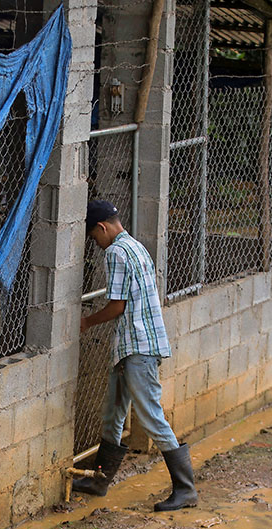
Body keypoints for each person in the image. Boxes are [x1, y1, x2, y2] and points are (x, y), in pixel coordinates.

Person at [73, 200, 198, 512]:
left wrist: (87, 321)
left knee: (151, 417)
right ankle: (99, 481)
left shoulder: (115, 251)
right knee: (114, 414)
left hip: (138, 347)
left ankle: (186, 489)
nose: (95, 244)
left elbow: (118, 306)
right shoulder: (135, 246)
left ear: (101, 228)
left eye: (93, 237)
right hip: (134, 346)